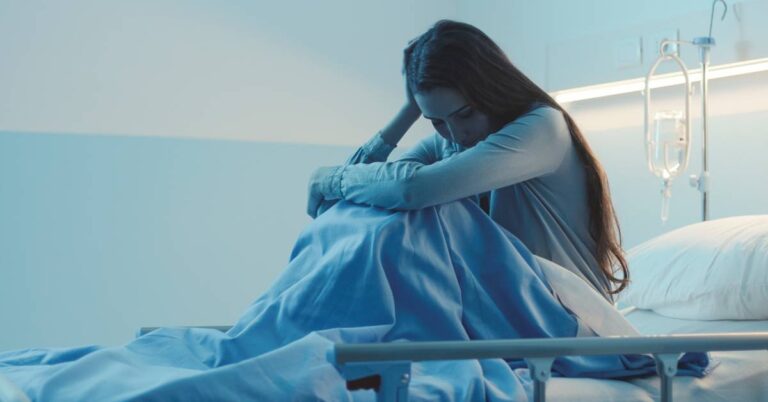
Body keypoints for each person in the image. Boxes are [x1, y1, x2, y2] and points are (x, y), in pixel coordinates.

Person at [307, 19, 629, 301]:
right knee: (379, 216)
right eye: (437, 121)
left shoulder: (542, 128)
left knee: (425, 209)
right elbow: (340, 208)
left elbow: (412, 189)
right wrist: (409, 110)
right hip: (511, 311)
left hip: (570, 313)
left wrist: (331, 178)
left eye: (465, 114)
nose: (456, 133)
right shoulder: (451, 141)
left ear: (491, 90)